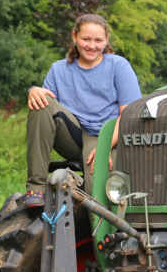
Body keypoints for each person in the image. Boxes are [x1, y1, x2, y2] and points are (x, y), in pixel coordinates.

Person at [21, 13, 141, 208]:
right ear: (74, 36)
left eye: (98, 40)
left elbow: (128, 114)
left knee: (97, 193)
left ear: (106, 40)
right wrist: (33, 91)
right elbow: (48, 110)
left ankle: (101, 234)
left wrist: (105, 147)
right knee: (41, 102)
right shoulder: (58, 69)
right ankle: (36, 187)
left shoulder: (119, 66)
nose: (91, 45)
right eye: (86, 39)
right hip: (73, 135)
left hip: (105, 135)